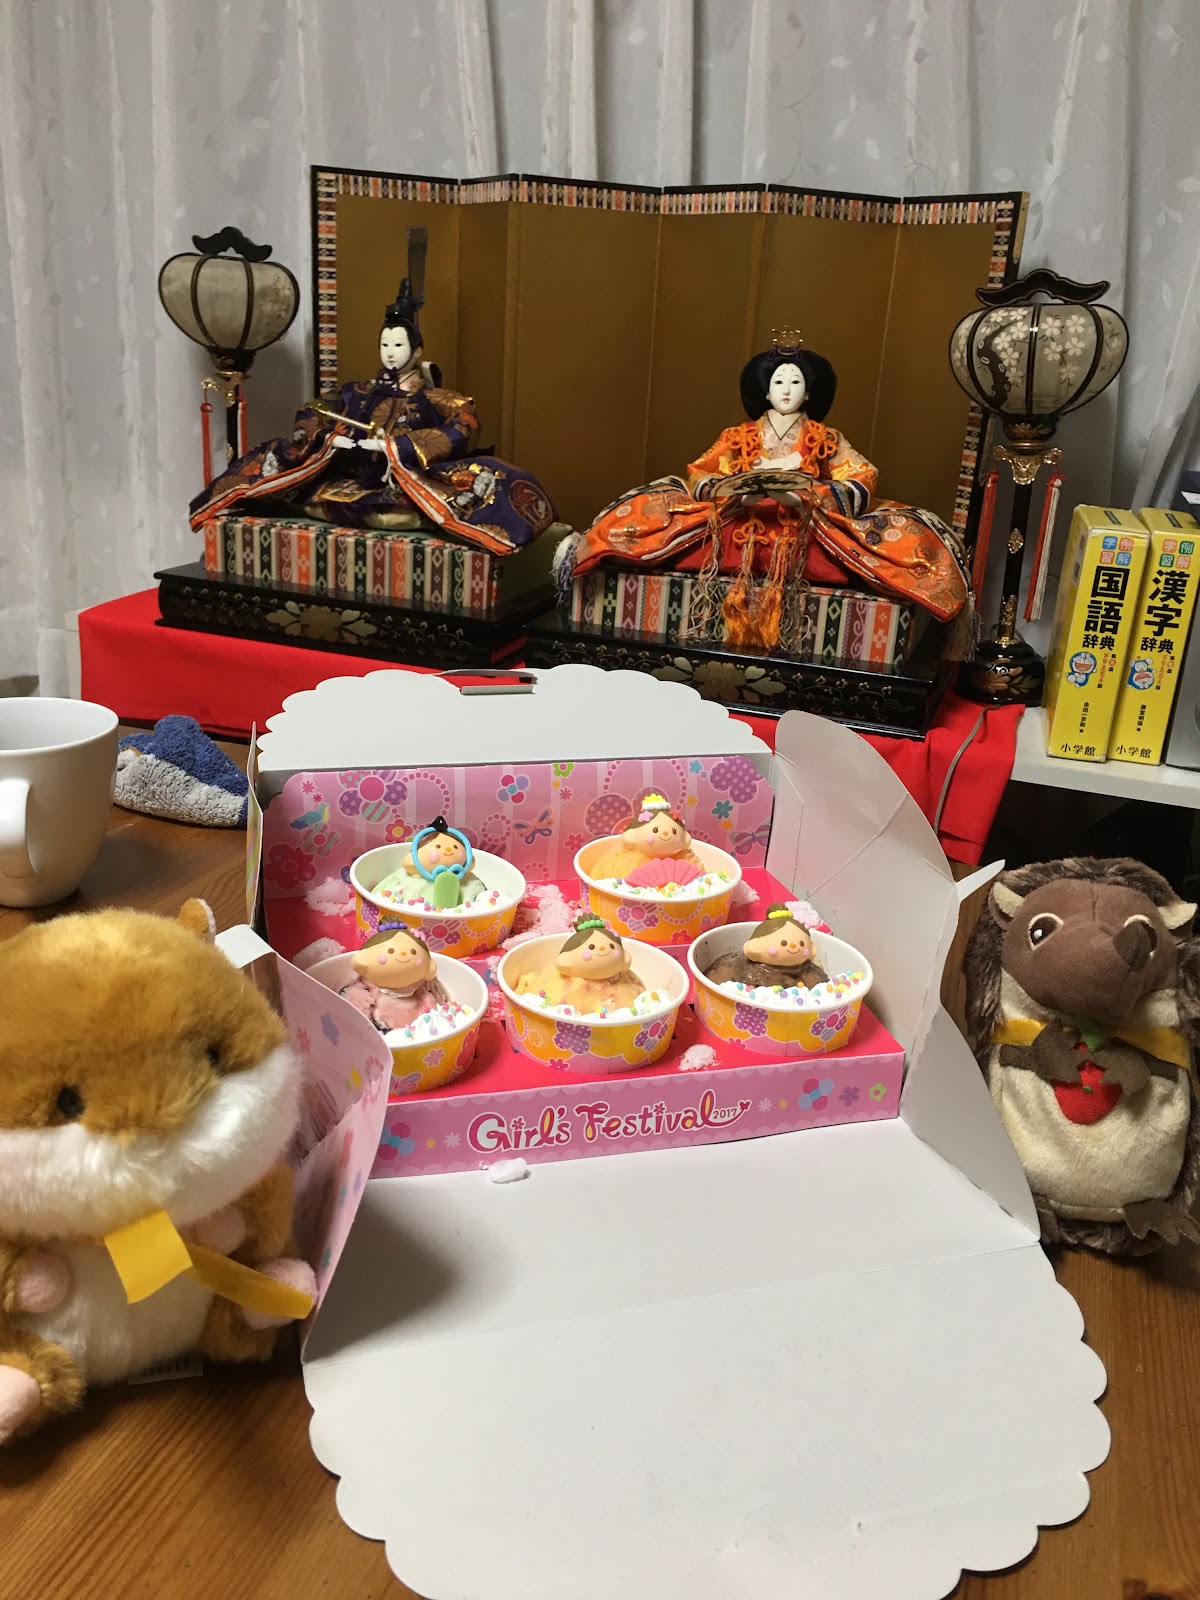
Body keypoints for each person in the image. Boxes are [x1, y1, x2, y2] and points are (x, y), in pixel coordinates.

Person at [561, 331, 970, 651]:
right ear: (765, 390)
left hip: (800, 517)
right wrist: (735, 493)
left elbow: (861, 475)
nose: (786, 390)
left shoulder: (824, 438)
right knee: (654, 522)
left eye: (796, 382)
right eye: (778, 382)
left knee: (887, 546)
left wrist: (807, 496)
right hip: (744, 513)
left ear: (809, 391)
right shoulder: (738, 436)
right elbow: (701, 473)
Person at [190, 278, 555, 557]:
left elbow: (464, 422)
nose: (390, 353)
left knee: (489, 478)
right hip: (346, 475)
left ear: (417, 350)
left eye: (398, 345)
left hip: (404, 475)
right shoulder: (356, 390)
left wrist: (397, 447)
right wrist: (331, 437)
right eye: (384, 344)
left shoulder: (435, 397)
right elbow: (313, 409)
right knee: (273, 457)